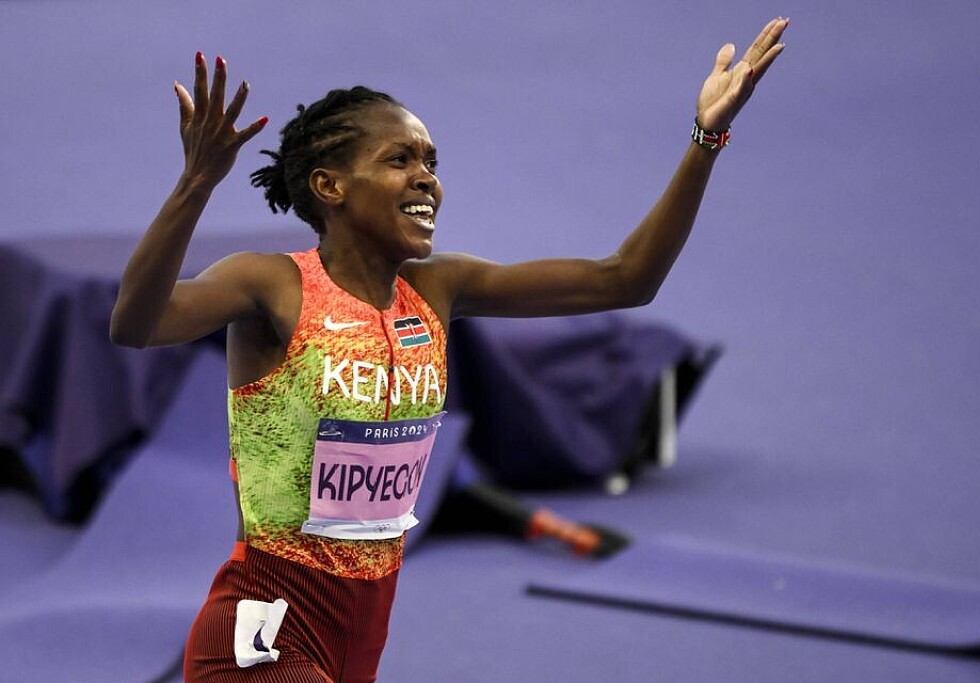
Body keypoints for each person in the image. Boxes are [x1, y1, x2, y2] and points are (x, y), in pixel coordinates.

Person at [110, 17, 788, 683]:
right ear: (330, 185)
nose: (426, 178)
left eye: (431, 162)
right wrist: (195, 184)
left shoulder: (438, 289)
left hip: (362, 633)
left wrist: (706, 138)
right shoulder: (271, 285)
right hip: (263, 628)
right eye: (399, 160)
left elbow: (626, 279)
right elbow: (137, 324)